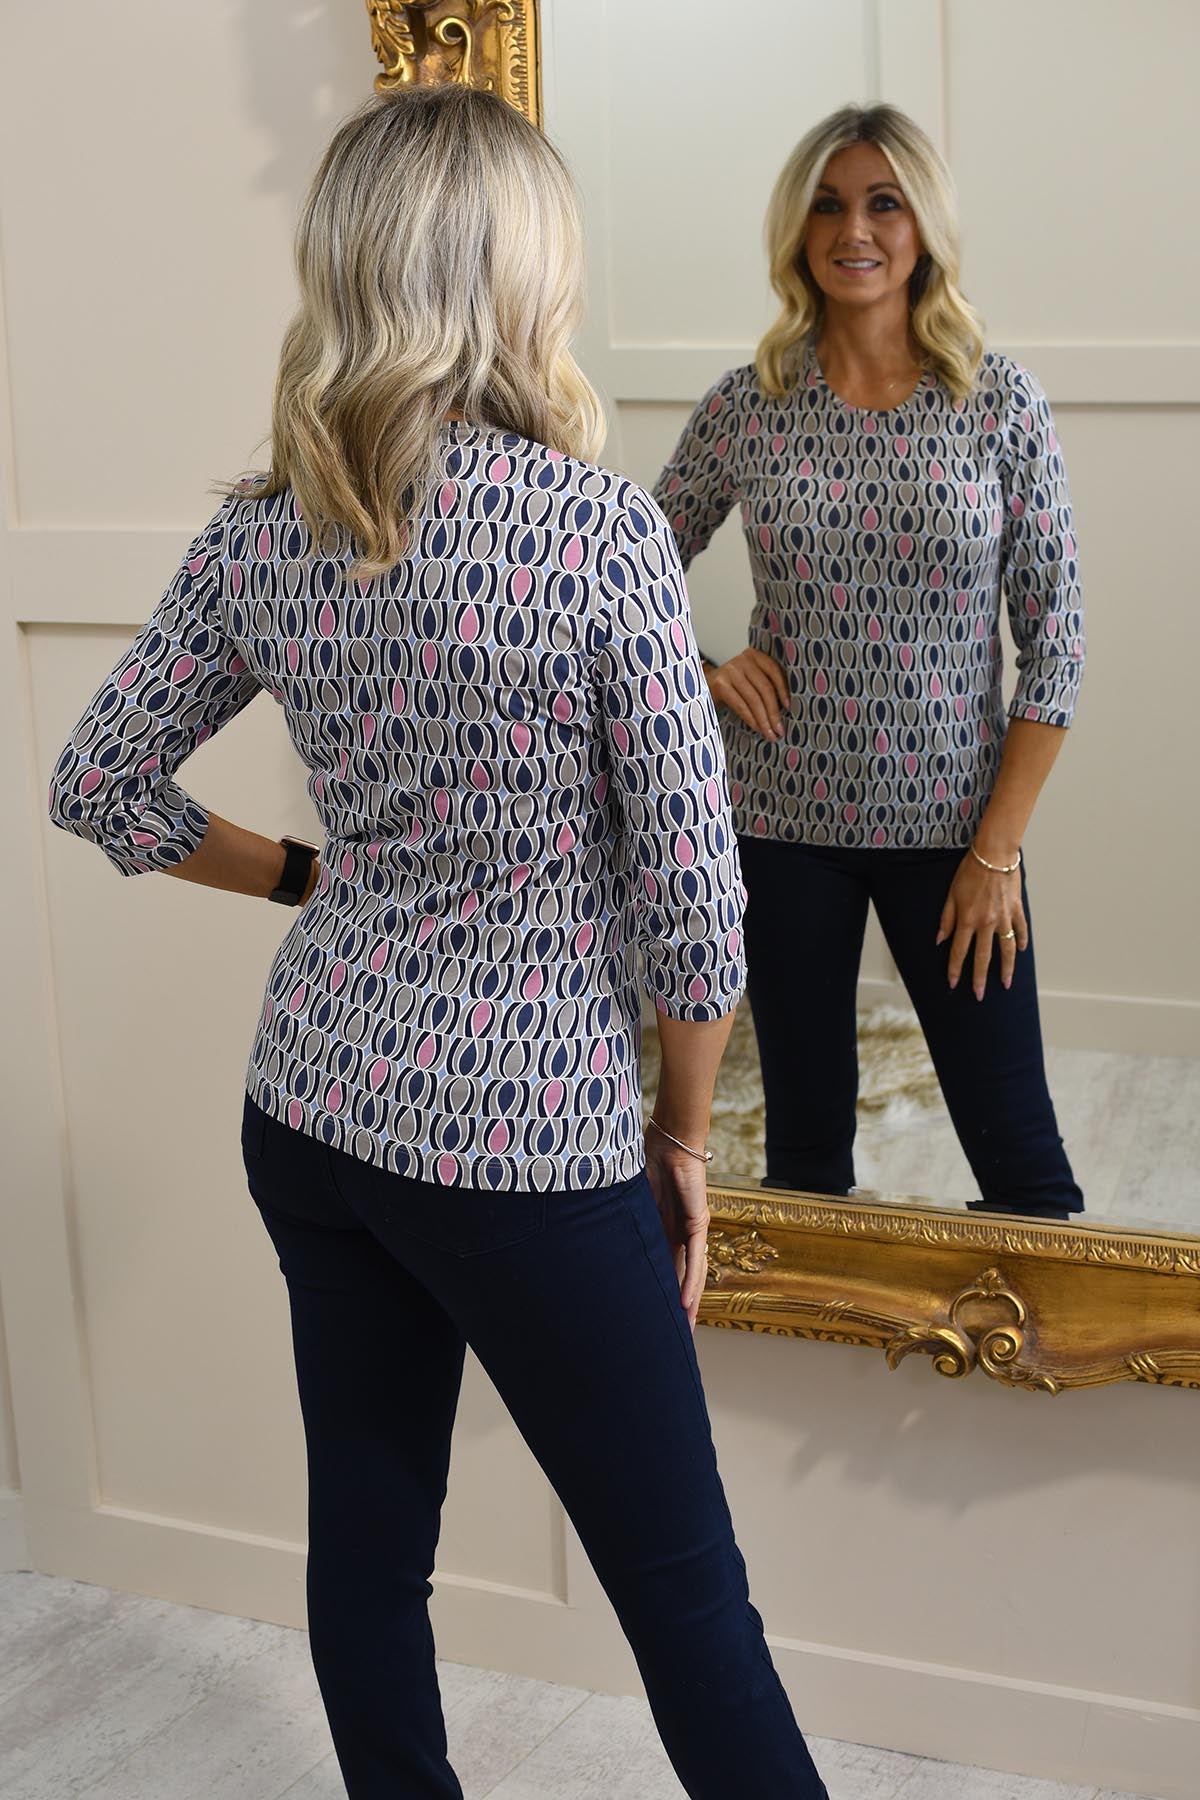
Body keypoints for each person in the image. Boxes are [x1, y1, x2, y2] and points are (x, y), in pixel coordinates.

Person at [47, 86, 828, 1800]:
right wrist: (684, 1139)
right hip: (524, 1143)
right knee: (687, 1594)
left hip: (313, 1108)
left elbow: (95, 784)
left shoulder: (268, 527)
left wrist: (306, 883)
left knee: (369, 1543)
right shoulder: (596, 531)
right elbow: (700, 913)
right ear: (520, 274)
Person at [653, 103, 1085, 1223]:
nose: (855, 230)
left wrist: (996, 853)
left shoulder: (998, 401)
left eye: (884, 203)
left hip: (956, 838)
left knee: (1024, 1165)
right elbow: (626, 569)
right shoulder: (750, 405)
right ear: (798, 230)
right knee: (804, 1154)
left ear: (923, 224)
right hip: (782, 823)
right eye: (829, 205)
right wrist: (702, 667)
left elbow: (1058, 648)